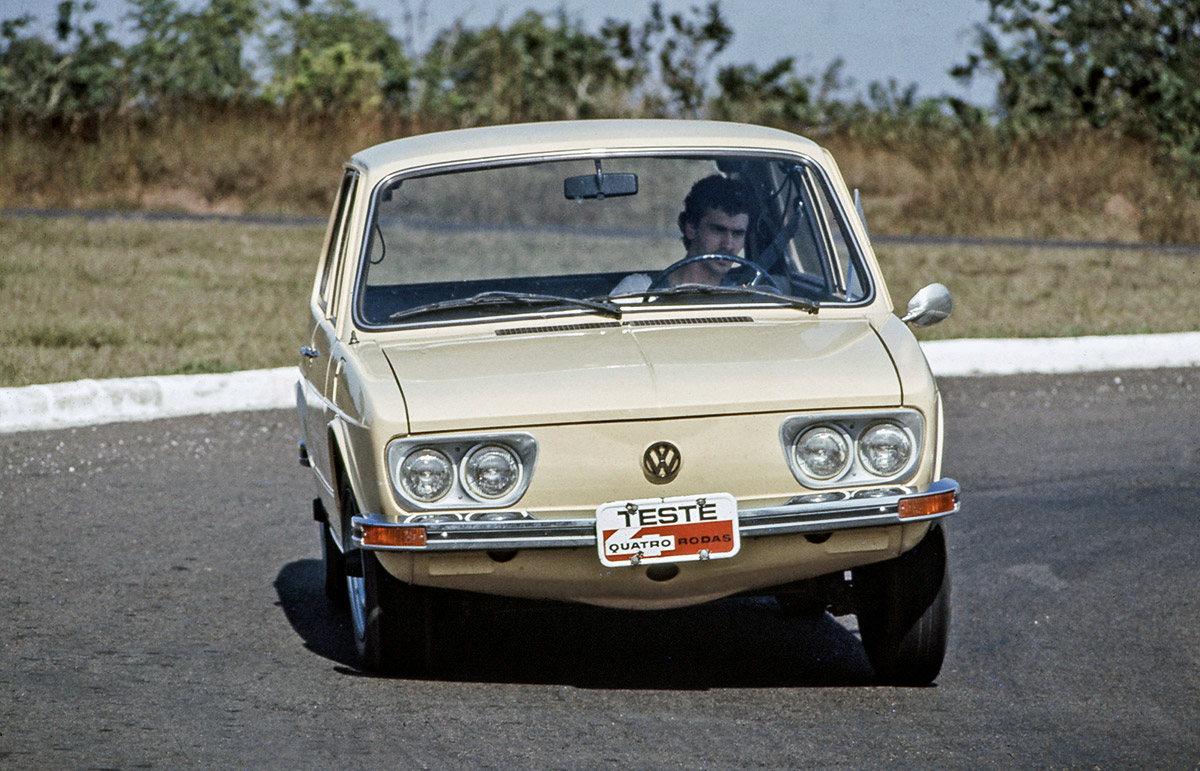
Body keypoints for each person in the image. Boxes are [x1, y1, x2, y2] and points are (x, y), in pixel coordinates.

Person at [612, 174, 755, 294]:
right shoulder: (639, 290)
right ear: (691, 229)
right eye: (717, 230)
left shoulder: (746, 298)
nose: (728, 245)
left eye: (737, 234)